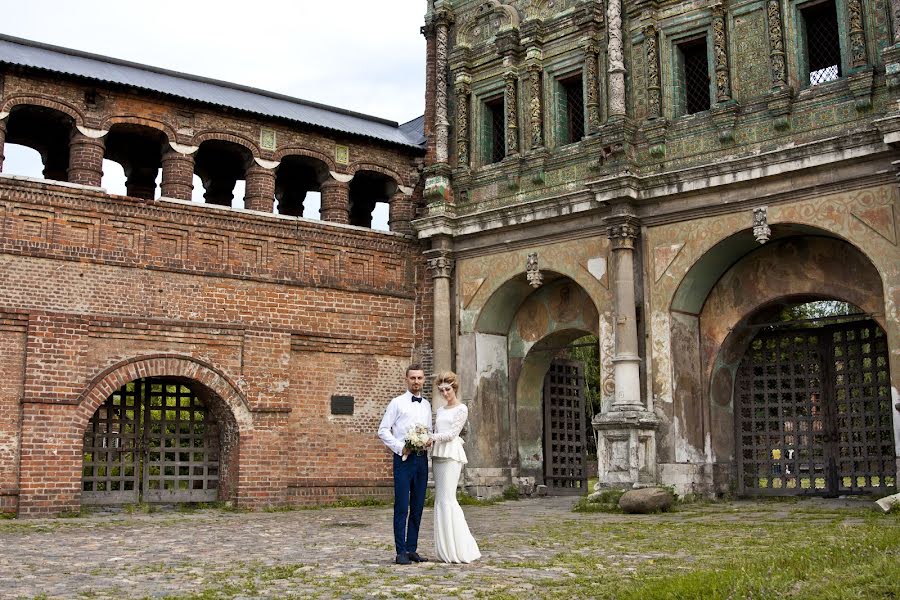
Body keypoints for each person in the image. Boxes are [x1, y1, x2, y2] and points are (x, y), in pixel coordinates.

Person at [378, 364, 432, 565]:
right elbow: (383, 430)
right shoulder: (397, 403)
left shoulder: (426, 405)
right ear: (406, 379)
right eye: (412, 378)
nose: (416, 381)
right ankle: (400, 551)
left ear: (423, 379)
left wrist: (428, 439)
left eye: (419, 378)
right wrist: (401, 447)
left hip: (421, 460)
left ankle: (411, 549)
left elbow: (428, 430)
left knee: (417, 506)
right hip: (404, 460)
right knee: (402, 506)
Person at [429, 371, 481, 564]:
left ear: (454, 388)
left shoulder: (462, 409)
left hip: (451, 454)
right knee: (440, 500)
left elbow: (451, 434)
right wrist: (427, 438)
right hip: (438, 455)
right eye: (441, 390)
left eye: (448, 389)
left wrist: (431, 437)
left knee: (448, 499)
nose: (445, 393)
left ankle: (459, 548)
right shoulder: (441, 410)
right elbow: (437, 431)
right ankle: (445, 549)